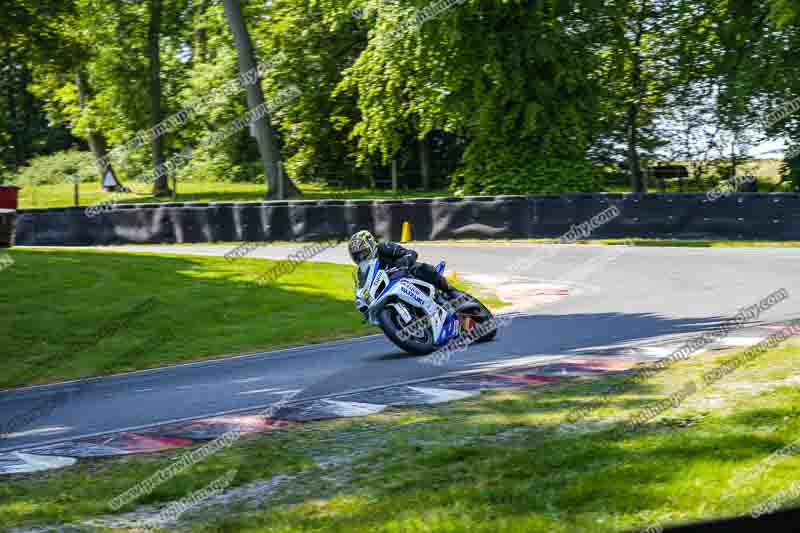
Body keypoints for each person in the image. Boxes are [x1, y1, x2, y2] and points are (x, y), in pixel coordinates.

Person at [348, 230, 464, 301]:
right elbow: (364, 287)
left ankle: (451, 291)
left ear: (371, 245)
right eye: (357, 256)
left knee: (417, 268)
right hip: (390, 291)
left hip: (407, 275)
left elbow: (410, 253)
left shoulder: (384, 247)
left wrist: (403, 265)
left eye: (363, 253)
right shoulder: (361, 272)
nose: (361, 257)